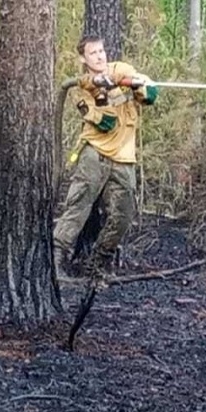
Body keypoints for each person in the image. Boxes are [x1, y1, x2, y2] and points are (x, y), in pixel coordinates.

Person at [53, 34, 159, 281]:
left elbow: (151, 95)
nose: (100, 56)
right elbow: (106, 121)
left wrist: (133, 83)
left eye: (101, 51)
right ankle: (56, 260)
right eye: (93, 53)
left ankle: (99, 263)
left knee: (123, 214)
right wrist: (104, 88)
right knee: (78, 207)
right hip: (95, 155)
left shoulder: (121, 69)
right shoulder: (79, 90)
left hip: (124, 157)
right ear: (83, 58)